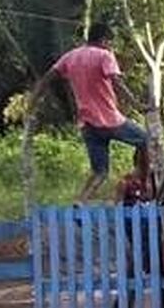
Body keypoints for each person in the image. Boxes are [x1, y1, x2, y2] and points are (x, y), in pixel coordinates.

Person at [28, 22, 154, 203]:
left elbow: (47, 79)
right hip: (110, 120)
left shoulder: (70, 57)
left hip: (87, 124)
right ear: (104, 40)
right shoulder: (104, 55)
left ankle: (80, 202)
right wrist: (137, 105)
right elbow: (116, 82)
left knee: (100, 172)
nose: (111, 46)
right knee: (144, 139)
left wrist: (32, 104)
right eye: (110, 42)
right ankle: (143, 186)